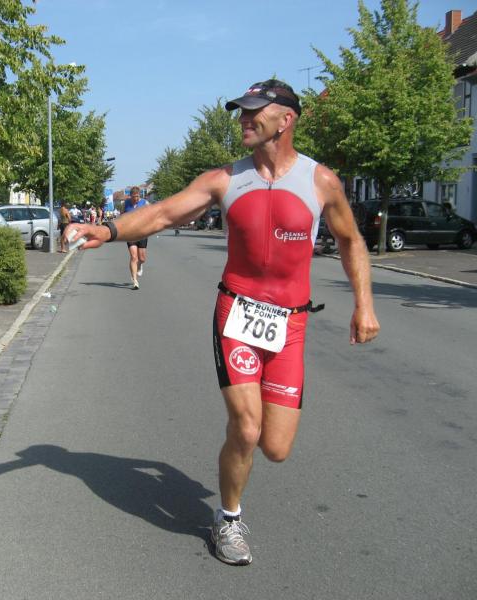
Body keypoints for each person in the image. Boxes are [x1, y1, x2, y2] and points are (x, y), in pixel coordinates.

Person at [66, 79, 380, 566]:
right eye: (242, 111)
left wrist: (365, 304)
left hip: (290, 324)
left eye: (255, 111)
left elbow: (351, 240)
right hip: (237, 314)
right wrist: (107, 229)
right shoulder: (225, 179)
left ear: (287, 119)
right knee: (248, 428)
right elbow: (163, 213)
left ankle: (239, 451)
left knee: (275, 447)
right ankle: (229, 518)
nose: (244, 119)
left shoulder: (321, 181)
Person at [123, 186, 148, 290]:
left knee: (142, 259)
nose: (136, 198)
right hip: (130, 233)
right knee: (134, 257)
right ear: (130, 196)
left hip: (142, 233)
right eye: (134, 197)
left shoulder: (144, 203)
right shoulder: (126, 203)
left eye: (137, 196)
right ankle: (135, 281)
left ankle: (140, 265)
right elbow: (122, 216)